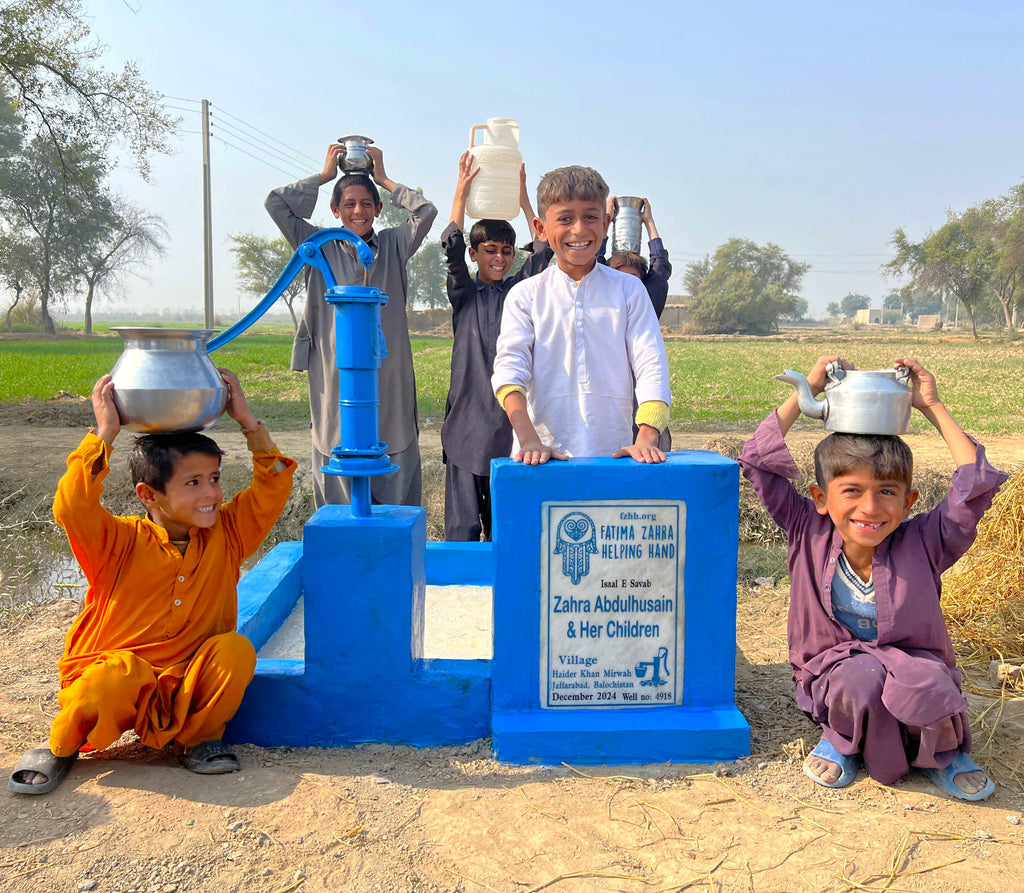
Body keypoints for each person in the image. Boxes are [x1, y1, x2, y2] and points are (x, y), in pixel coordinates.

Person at [8, 371, 296, 795]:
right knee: (116, 676)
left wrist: (248, 422)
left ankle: (196, 741)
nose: (211, 494)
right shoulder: (118, 541)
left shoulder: (228, 534)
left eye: (214, 479)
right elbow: (72, 506)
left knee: (233, 651)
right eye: (193, 482)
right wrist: (104, 433)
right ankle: (61, 746)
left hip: (186, 683)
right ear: (148, 495)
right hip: (116, 682)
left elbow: (273, 484)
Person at [738, 355, 1006, 801]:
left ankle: (942, 754)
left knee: (929, 683)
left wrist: (931, 406)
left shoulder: (925, 541)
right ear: (821, 498)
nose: (869, 508)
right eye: (852, 492)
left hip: (914, 664)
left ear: (909, 501)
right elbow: (758, 461)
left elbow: (972, 486)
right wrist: (807, 391)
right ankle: (841, 740)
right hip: (837, 667)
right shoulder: (808, 529)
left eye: (887, 492)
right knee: (858, 679)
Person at [266, 141, 437, 508]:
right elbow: (276, 204)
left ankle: (394, 528)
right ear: (335, 209)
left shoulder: (394, 243)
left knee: (395, 437)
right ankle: (339, 526)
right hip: (332, 367)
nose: (358, 211)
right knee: (335, 435)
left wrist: (386, 180)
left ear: (378, 209)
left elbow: (426, 211)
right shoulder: (316, 243)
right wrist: (325, 175)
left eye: (365, 204)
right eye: (348, 204)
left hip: (387, 366)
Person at [491, 165, 671, 465]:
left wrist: (647, 437)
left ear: (606, 223)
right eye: (565, 218)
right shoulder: (525, 295)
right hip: (540, 461)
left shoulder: (628, 291)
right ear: (541, 229)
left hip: (614, 458)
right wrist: (529, 439)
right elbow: (510, 370)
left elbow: (651, 363)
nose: (578, 229)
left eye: (590, 216)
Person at [440, 152, 553, 540]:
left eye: (506, 251)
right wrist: (462, 190)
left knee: (510, 530)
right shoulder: (464, 294)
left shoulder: (521, 292)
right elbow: (451, 245)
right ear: (475, 255)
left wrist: (522, 198)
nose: (500, 258)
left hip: (511, 428)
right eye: (490, 250)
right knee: (462, 531)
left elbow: (542, 249)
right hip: (466, 426)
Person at [601, 196, 673, 451]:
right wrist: (607, 221)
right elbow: (596, 261)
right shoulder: (600, 299)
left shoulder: (647, 302)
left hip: (641, 385)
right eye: (619, 278)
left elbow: (660, 267)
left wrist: (649, 222)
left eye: (632, 280)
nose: (626, 286)